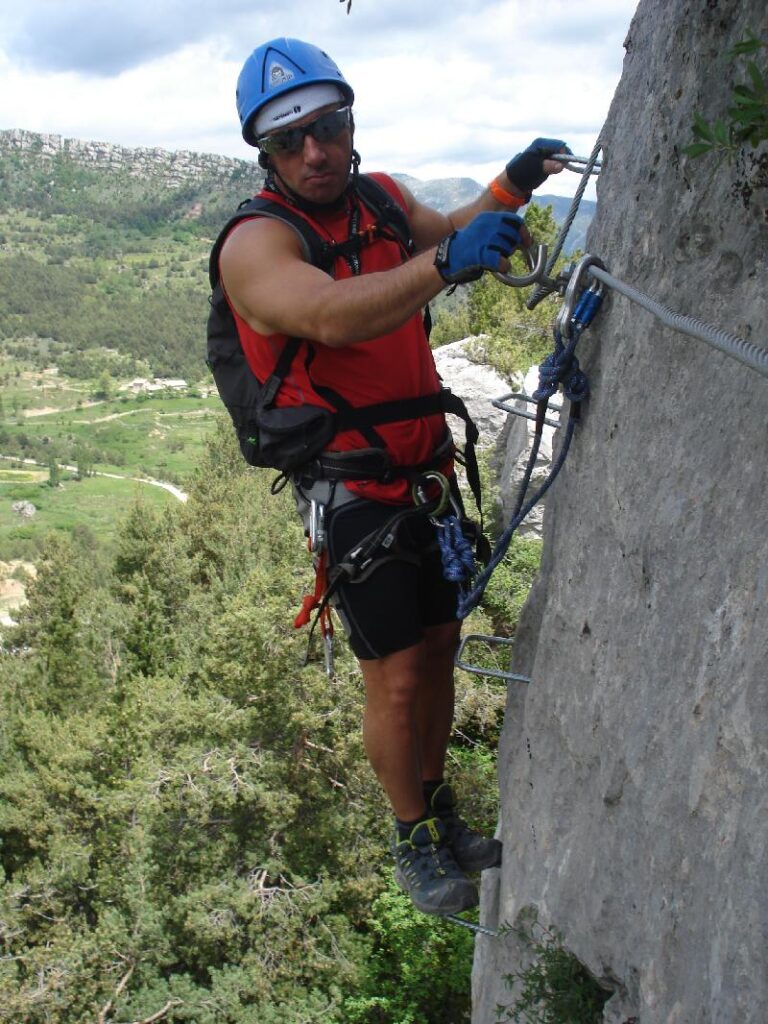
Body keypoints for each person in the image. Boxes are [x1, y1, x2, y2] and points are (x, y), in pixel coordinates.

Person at [217, 37, 567, 916]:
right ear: (267, 156)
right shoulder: (258, 243)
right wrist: (445, 263)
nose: (316, 152)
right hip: (355, 488)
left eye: (328, 127)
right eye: (291, 141)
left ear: (348, 122)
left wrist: (512, 186)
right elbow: (333, 316)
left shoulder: (378, 202)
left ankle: (440, 811)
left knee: (443, 652)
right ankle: (411, 840)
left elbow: (447, 238)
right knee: (398, 676)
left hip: (424, 472)